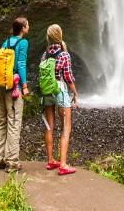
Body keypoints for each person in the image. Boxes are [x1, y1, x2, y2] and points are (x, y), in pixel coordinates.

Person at [0, 16, 29, 171]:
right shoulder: (23, 43)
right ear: (23, 28)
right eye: (27, 25)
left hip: (2, 87)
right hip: (14, 87)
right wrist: (24, 85)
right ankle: (11, 162)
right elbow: (21, 64)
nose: (28, 27)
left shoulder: (6, 42)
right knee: (13, 122)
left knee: (1, 122)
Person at [40, 23, 78, 175]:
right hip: (60, 90)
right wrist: (75, 93)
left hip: (47, 91)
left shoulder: (44, 55)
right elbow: (68, 78)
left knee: (49, 126)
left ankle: (51, 161)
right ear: (59, 35)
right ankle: (63, 164)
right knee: (66, 127)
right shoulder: (63, 54)